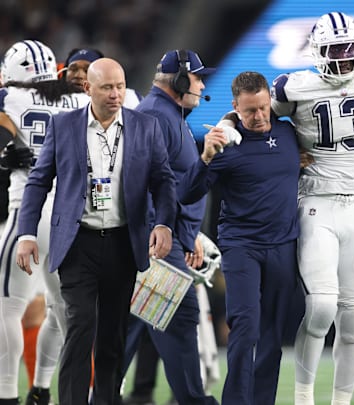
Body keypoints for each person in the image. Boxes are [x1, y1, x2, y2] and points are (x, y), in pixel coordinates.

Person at [15, 57, 176, 405]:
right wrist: (26, 233)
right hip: (77, 242)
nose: (116, 94)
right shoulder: (64, 126)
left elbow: (163, 181)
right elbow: (38, 182)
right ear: (88, 88)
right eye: (107, 87)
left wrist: (163, 223)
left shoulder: (145, 126)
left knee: (113, 337)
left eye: (119, 86)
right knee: (80, 326)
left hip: (123, 244)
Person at [270, 12, 354, 405]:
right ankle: (304, 398)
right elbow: (257, 118)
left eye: (349, 49)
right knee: (322, 305)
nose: (343, 58)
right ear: (317, 52)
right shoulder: (295, 87)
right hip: (316, 202)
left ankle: (341, 401)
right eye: (334, 50)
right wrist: (286, 152)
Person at [178, 71, 300, 404]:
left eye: (263, 108)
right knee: (245, 328)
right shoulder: (223, 143)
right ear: (235, 107)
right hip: (242, 246)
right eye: (249, 111)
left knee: (273, 336)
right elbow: (187, 194)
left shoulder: (291, 133)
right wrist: (206, 157)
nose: (258, 117)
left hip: (283, 245)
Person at [117, 49, 219, 405]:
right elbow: (141, 184)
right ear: (179, 80)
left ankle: (95, 397)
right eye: (198, 77)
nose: (203, 84)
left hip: (162, 236)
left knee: (130, 325)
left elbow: (176, 182)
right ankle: (194, 400)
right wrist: (159, 235)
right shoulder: (157, 116)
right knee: (179, 313)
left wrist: (189, 235)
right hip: (154, 239)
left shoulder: (167, 114)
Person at [0, 39, 89, 405]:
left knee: (7, 308)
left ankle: (6, 395)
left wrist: (9, 157)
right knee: (67, 312)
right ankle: (75, 393)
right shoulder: (83, 101)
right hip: (74, 218)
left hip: (30, 215)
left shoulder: (10, 98)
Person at [62, 47, 143, 108]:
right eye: (73, 69)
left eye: (87, 71)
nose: (78, 75)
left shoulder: (128, 97)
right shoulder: (54, 100)